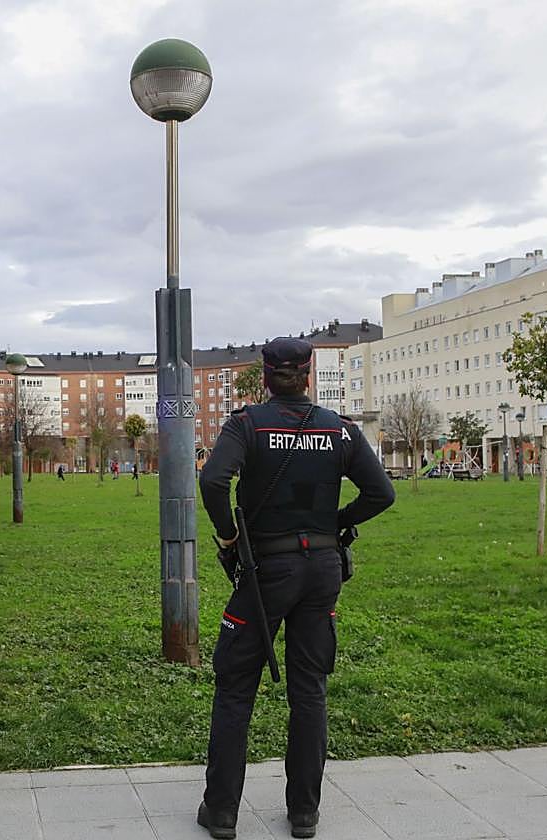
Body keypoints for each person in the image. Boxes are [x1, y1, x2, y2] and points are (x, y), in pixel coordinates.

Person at [196, 337, 395, 840]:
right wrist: (338, 523)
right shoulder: (338, 429)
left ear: (265, 375)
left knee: (236, 687)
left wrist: (228, 536)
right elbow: (382, 493)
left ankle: (221, 812)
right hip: (322, 569)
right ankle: (304, 813)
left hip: (267, 570)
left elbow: (215, 481)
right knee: (310, 691)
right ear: (308, 373)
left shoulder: (247, 424)